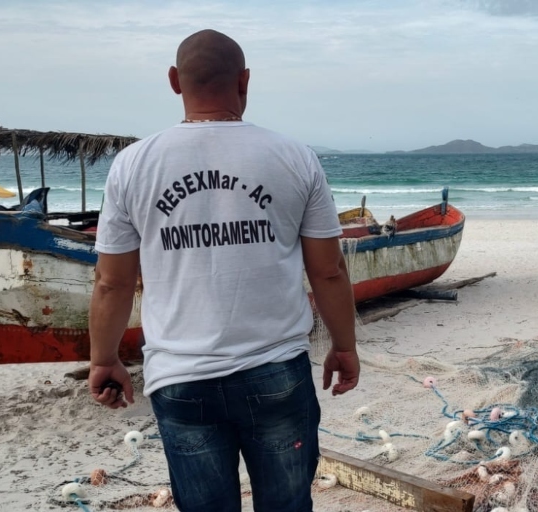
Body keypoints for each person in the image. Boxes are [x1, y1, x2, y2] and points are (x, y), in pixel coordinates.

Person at [88, 29, 360, 512]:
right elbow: (330, 272)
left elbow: (113, 281)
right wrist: (343, 346)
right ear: (245, 80)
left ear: (175, 81)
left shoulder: (132, 166)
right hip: (277, 370)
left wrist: (104, 359)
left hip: (179, 376)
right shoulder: (294, 157)